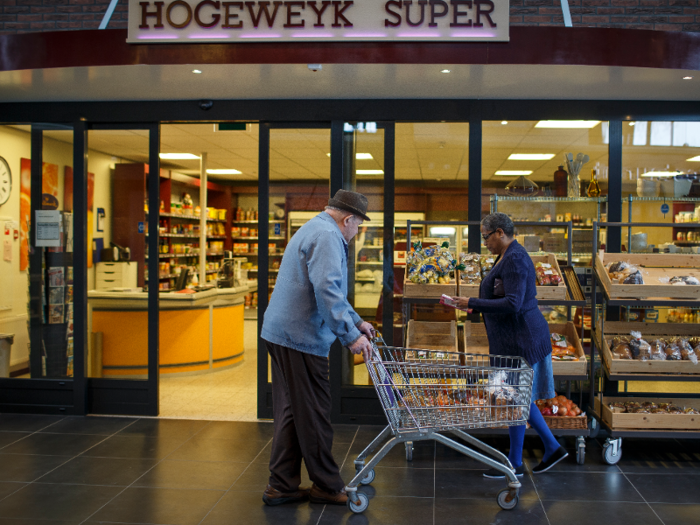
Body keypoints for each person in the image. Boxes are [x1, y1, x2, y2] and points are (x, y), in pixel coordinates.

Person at [260, 189, 376, 507]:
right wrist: (350, 336)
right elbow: (327, 288)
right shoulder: (327, 236)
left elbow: (329, 289)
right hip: (300, 338)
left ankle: (281, 485)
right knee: (313, 414)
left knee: (292, 413)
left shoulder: (316, 226)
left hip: (281, 333)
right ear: (348, 219)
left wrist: (355, 322)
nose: (357, 231)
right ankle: (326, 485)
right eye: (358, 225)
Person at [449, 212, 568, 478]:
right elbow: (503, 297)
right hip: (514, 339)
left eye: (486, 237)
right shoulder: (507, 255)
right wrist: (475, 306)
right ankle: (547, 449)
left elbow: (514, 303)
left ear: (500, 232)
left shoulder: (514, 258)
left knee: (516, 399)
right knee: (518, 399)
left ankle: (521, 460)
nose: (485, 242)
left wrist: (472, 303)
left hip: (521, 340)